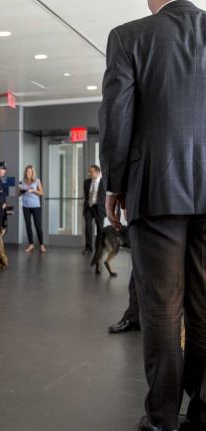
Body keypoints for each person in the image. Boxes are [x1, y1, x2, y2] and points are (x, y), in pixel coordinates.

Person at [99, 1, 206, 430]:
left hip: (157, 188)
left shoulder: (129, 36)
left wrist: (115, 183)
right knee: (204, 310)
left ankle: (162, 418)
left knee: (161, 309)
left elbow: (117, 118)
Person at [19, 165, 45, 253]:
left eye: (29, 171)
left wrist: (33, 191)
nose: (27, 173)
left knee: (37, 225)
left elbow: (41, 193)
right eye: (26, 171)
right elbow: (19, 193)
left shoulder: (37, 181)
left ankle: (41, 244)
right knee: (28, 225)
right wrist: (20, 192)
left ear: (32, 172)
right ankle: (31, 244)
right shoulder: (22, 181)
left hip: (36, 206)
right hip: (26, 206)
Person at [82, 164, 107, 255]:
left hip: (99, 208)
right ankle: (88, 248)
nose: (89, 174)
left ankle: (99, 248)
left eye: (91, 172)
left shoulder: (104, 182)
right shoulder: (86, 182)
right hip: (89, 207)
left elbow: (105, 197)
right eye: (89, 172)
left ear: (97, 172)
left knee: (100, 229)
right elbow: (86, 195)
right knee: (88, 227)